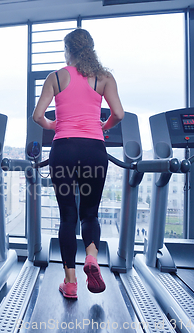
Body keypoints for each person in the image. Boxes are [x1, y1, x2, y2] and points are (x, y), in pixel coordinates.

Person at [32, 28, 124, 299]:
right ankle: (92, 256)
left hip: (64, 149)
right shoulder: (104, 77)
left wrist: (54, 124)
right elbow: (118, 113)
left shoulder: (56, 77)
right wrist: (102, 127)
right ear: (91, 49)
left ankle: (70, 283)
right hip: (94, 149)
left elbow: (38, 116)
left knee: (67, 216)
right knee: (90, 213)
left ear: (67, 50)